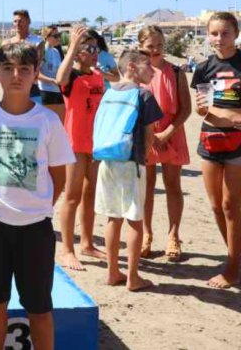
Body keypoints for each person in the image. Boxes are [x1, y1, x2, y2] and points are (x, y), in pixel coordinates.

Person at [0, 42, 74, 350]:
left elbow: (59, 177)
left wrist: (35, 208)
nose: (16, 75)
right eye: (8, 69)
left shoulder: (49, 121)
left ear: (36, 73)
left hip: (36, 228)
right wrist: (0, 204)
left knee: (39, 308)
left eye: (24, 69)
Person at [94, 49, 162, 292]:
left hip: (106, 159)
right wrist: (146, 152)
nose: (153, 70)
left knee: (113, 217)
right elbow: (148, 134)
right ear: (132, 66)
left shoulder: (109, 93)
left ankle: (113, 271)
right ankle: (133, 277)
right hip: (131, 162)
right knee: (134, 219)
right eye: (148, 66)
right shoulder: (143, 95)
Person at [191, 11, 241, 288]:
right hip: (210, 139)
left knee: (231, 206)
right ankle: (235, 257)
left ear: (235, 34)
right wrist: (206, 111)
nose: (219, 38)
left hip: (238, 141)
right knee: (215, 206)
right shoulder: (203, 67)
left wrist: (232, 118)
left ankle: (232, 268)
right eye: (214, 33)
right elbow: (204, 109)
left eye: (225, 33)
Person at [137, 26, 191, 261]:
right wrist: (150, 136)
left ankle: (173, 235)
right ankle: (146, 235)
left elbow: (186, 109)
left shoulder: (176, 72)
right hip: (145, 135)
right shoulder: (137, 72)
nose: (155, 50)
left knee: (172, 185)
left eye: (159, 45)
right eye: (150, 46)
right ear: (141, 46)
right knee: (146, 187)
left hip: (172, 132)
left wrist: (167, 133)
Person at [56, 26, 106, 270]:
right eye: (88, 48)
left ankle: (87, 243)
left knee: (91, 195)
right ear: (77, 52)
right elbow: (59, 79)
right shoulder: (72, 77)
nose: (94, 52)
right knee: (72, 196)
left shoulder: (98, 75)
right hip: (74, 143)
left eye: (96, 48)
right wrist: (73, 45)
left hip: (95, 143)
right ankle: (67, 250)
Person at [4, 9, 44, 104]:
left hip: (32, 87)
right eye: (15, 21)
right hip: (11, 86)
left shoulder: (37, 42)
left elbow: (38, 65)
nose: (18, 24)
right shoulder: (6, 44)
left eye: (21, 21)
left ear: (28, 21)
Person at [37, 26, 65, 123]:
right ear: (47, 37)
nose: (59, 38)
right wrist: (52, 81)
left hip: (58, 91)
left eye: (59, 35)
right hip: (46, 91)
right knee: (48, 124)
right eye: (56, 36)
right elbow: (36, 74)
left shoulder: (56, 51)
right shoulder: (43, 51)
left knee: (60, 123)